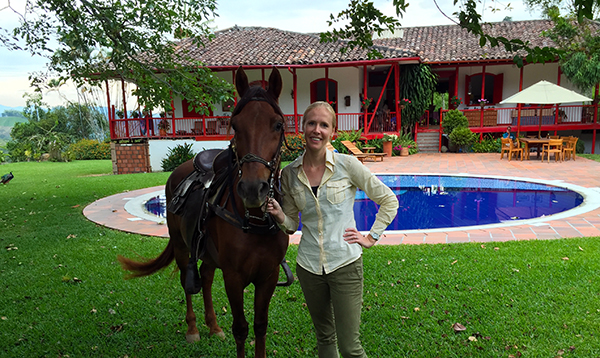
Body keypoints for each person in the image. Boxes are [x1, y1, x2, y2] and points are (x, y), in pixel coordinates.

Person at [266, 101, 398, 358]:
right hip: (309, 267)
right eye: (311, 123)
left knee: (350, 347)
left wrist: (370, 237)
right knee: (325, 338)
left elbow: (388, 200)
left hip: (345, 265)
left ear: (332, 132)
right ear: (303, 128)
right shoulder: (289, 174)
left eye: (324, 125)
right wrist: (281, 215)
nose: (317, 129)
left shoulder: (347, 165)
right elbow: (292, 225)